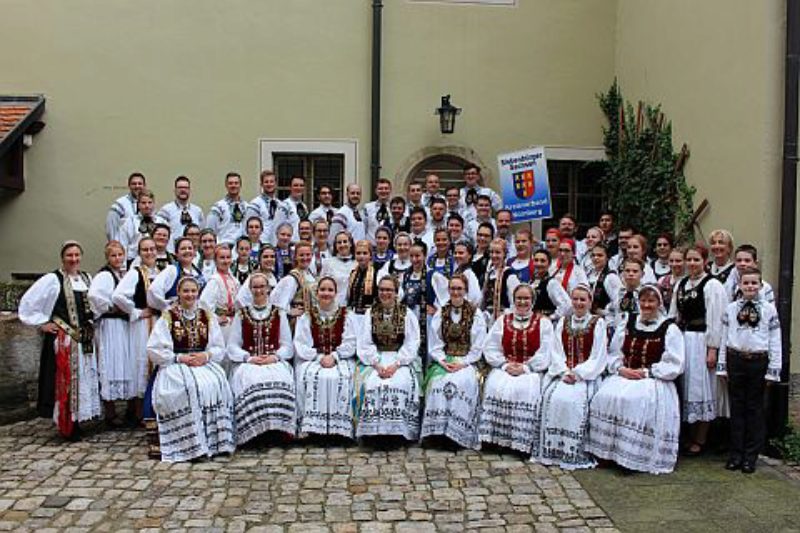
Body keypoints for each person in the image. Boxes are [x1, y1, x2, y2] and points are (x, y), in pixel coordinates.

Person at [585, 284, 685, 474]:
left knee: (634, 401)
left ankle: (631, 456)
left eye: (651, 301)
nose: (647, 305)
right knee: (604, 397)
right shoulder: (628, 322)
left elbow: (675, 363)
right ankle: (606, 452)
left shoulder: (669, 328)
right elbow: (614, 352)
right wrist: (621, 368)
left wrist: (647, 372)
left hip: (652, 379)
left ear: (659, 303)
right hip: (626, 374)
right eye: (643, 301)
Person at [146, 277, 235, 462]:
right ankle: (190, 445)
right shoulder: (168, 316)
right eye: (186, 291)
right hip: (176, 364)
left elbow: (219, 346)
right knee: (189, 389)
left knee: (217, 384)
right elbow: (154, 348)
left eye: (193, 291)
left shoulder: (207, 315)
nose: (190, 295)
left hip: (202, 362)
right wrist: (178, 357)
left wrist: (207, 356)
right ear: (178, 293)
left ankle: (215, 442)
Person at [19, 241, 101, 439]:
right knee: (65, 381)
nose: (73, 259)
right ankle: (67, 424)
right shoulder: (52, 279)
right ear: (62, 258)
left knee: (83, 380)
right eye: (69, 256)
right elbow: (29, 303)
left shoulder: (87, 278)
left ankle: (78, 420)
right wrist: (42, 324)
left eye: (76, 255)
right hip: (65, 340)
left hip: (84, 341)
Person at [534, 284, 607, 469]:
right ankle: (554, 448)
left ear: (590, 302)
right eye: (575, 299)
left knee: (577, 401)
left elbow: (598, 355)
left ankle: (574, 450)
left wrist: (579, 373)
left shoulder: (598, 323)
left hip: (586, 376)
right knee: (553, 398)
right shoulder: (563, 322)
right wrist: (565, 372)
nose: (579, 303)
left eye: (583, 299)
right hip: (564, 373)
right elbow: (556, 350)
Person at [717, 267, 782, 474]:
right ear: (740, 286)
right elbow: (724, 338)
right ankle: (735, 454)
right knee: (737, 408)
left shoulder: (769, 310)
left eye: (754, 283)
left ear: (760, 285)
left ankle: (750, 456)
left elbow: (775, 340)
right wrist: (722, 366)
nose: (750, 286)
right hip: (736, 360)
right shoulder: (731, 309)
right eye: (746, 283)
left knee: (754, 409)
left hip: (758, 361)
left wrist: (773, 369)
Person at [479, 284, 553, 453]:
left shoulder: (543, 323)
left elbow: (546, 352)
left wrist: (526, 367)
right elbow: (490, 347)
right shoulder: (502, 320)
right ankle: (495, 440)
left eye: (526, 298)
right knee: (495, 386)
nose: (522, 302)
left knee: (524, 389)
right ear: (513, 300)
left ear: (532, 300)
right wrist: (504, 364)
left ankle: (520, 443)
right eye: (519, 298)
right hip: (506, 365)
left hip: (530, 370)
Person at [669, 244, 727, 456]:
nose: (692, 264)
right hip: (684, 340)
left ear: (705, 261)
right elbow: (674, 314)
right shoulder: (682, 284)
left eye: (696, 260)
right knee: (687, 388)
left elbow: (716, 319)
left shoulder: (712, 285)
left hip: (702, 340)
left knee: (702, 388)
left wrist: (712, 349)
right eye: (689, 260)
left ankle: (701, 439)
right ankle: (689, 434)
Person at [227, 273, 296, 445]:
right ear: (250, 290)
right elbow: (232, 345)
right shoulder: (241, 314)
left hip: (273, 361)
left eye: (262, 287)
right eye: (255, 287)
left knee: (282, 379)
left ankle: (277, 430)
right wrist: (248, 358)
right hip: (250, 362)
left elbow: (287, 345)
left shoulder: (278, 313)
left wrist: (275, 357)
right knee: (249, 381)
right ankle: (253, 433)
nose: (259, 290)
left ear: (268, 289)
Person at [421, 274, 487, 450]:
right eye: (452, 288)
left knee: (462, 383)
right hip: (446, 360)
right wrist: (442, 361)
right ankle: (437, 432)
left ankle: (457, 434)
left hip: (467, 361)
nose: (456, 292)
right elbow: (434, 343)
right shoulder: (442, 312)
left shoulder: (475, 313)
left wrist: (463, 363)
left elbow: (478, 346)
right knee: (438, 383)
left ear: (465, 290)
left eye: (459, 289)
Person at [355, 276, 422, 441]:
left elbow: (412, 342)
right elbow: (364, 341)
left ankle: (398, 431)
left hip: (399, 358)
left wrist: (396, 364)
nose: (385, 293)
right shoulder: (371, 312)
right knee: (372, 383)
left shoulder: (406, 313)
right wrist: (376, 364)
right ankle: (373, 432)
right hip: (376, 357)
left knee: (401, 382)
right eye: (382, 290)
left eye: (389, 290)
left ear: (396, 292)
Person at [294, 277, 359, 439]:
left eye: (330, 290)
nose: (326, 293)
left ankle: (340, 429)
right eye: (323, 289)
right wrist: (319, 357)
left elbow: (351, 343)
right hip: (315, 359)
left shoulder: (346, 315)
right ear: (317, 293)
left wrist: (335, 356)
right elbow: (301, 344)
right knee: (308, 376)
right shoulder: (307, 316)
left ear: (336, 293)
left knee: (343, 377)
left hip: (340, 358)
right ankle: (312, 428)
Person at [112, 238, 160, 429]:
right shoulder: (135, 273)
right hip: (143, 325)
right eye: (145, 250)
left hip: (158, 322)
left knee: (156, 362)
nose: (149, 253)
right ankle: (141, 412)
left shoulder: (161, 271)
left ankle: (154, 408)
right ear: (140, 253)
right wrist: (137, 312)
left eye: (152, 249)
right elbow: (118, 296)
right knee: (142, 362)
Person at [88, 241, 134, 427]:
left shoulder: (124, 274)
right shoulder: (105, 275)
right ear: (107, 257)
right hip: (110, 325)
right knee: (110, 362)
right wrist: (112, 307)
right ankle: (110, 411)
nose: (117, 258)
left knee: (126, 363)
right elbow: (94, 296)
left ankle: (129, 408)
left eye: (119, 255)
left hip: (125, 326)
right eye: (113, 255)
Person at [148, 237, 205, 312]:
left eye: (190, 248)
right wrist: (167, 306)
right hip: (176, 317)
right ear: (176, 254)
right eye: (183, 249)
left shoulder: (198, 272)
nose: (187, 251)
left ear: (194, 252)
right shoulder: (172, 270)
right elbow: (153, 290)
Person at [200, 245, 241, 344]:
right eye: (222, 258)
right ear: (215, 260)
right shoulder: (214, 280)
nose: (225, 261)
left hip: (233, 323)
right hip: (221, 325)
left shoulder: (235, 280)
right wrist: (216, 318)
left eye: (228, 257)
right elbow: (204, 303)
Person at [270, 241, 315, 330]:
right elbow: (276, 301)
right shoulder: (292, 278)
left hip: (310, 321)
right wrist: (289, 311)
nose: (305, 258)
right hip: (298, 323)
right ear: (295, 257)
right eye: (301, 255)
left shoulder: (310, 274)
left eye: (308, 255)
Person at [156, 176, 205, 252]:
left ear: (190, 190)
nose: (183, 190)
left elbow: (201, 233)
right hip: (173, 252)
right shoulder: (166, 210)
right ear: (175, 190)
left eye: (186, 188)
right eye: (180, 187)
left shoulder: (197, 211)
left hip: (193, 253)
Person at [119, 190, 167, 262]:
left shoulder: (162, 222)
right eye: (143, 203)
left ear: (154, 204)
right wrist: (123, 266)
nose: (147, 206)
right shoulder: (129, 222)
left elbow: (168, 244)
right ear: (138, 205)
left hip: (158, 260)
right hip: (134, 260)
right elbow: (123, 245)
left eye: (150, 203)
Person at [481, 238, 519, 324]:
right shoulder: (489, 273)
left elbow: (515, 302)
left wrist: (506, 315)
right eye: (492, 252)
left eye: (497, 252)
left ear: (504, 254)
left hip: (502, 319)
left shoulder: (509, 274)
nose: (494, 255)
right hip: (487, 318)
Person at [247, 170, 289, 246]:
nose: (269, 184)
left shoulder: (281, 205)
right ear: (261, 184)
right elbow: (248, 227)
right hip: (261, 244)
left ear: (276, 184)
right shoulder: (255, 204)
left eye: (271, 181)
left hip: (278, 244)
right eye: (266, 182)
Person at [207, 172, 250, 246]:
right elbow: (210, 230)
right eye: (230, 183)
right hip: (224, 249)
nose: (233, 185)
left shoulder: (247, 207)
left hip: (243, 248)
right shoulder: (218, 207)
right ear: (226, 185)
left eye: (236, 183)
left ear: (240, 185)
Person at [529, 250, 571, 320]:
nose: (538, 263)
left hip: (547, 325)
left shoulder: (552, 283)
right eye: (536, 260)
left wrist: (552, 317)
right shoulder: (531, 282)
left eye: (542, 261)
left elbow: (567, 305)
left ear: (549, 264)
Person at [347, 241, 380, 326]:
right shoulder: (353, 273)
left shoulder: (377, 272)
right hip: (354, 315)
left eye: (365, 253)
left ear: (370, 255)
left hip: (370, 316)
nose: (361, 256)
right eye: (358, 253)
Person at [106, 172, 145, 242]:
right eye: (134, 184)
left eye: (140, 183)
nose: (137, 186)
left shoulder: (148, 205)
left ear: (144, 185)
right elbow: (111, 228)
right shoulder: (120, 204)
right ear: (129, 186)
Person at [586, 244, 621, 319]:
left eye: (600, 255)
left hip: (606, 320)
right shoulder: (589, 274)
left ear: (607, 257)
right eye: (593, 255)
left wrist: (605, 311)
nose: (596, 258)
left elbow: (618, 302)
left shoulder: (611, 277)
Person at [322, 231, 357, 306]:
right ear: (335, 245)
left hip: (353, 306)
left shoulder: (357, 263)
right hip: (333, 305)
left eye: (345, 242)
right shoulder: (328, 263)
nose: (342, 245)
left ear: (350, 243)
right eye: (339, 242)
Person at [365, 178, 393, 243]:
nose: (383, 191)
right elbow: (364, 228)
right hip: (372, 247)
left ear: (390, 190)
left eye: (386, 188)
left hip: (390, 248)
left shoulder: (395, 209)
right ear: (376, 191)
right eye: (380, 189)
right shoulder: (367, 208)